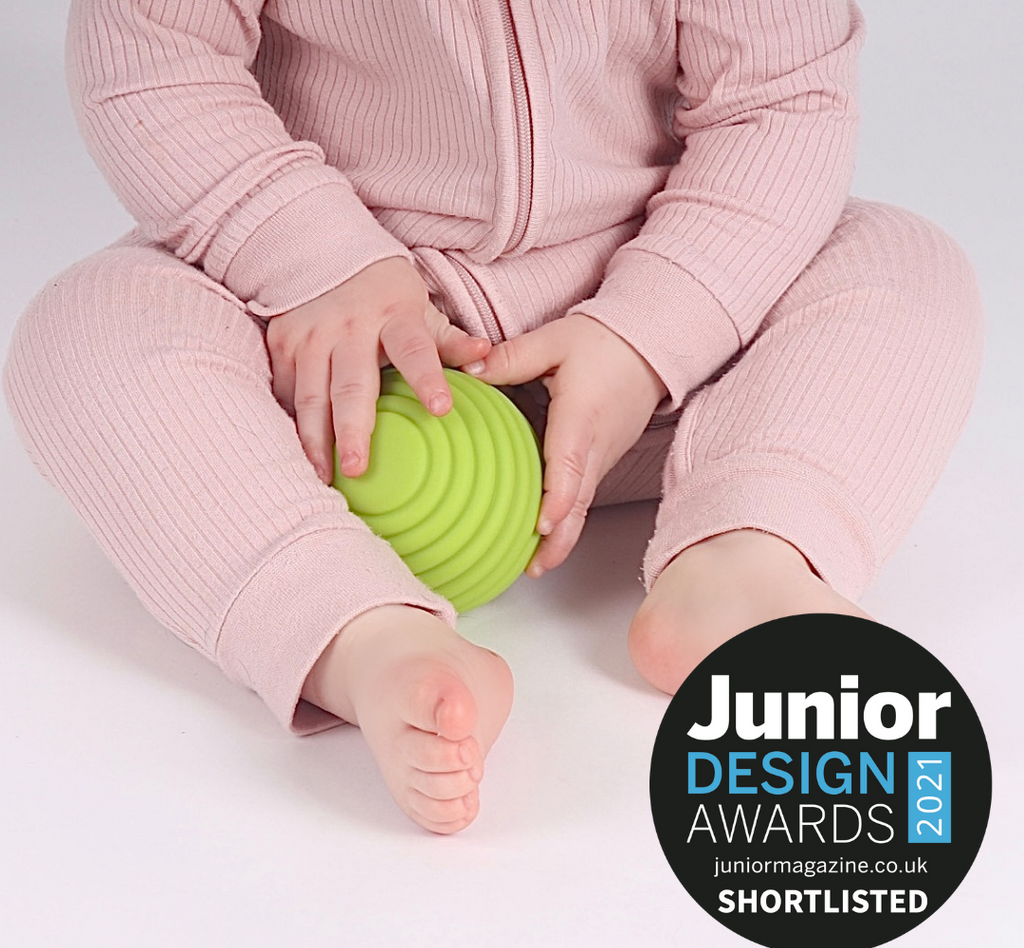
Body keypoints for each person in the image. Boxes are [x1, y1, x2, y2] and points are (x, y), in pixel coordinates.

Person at [2, 1, 983, 834]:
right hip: (339, 348)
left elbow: (783, 103)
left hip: (649, 338)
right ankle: (357, 632)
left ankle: (747, 555)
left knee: (899, 261)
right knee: (88, 327)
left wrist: (647, 333)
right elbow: (152, 56)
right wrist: (311, 255)